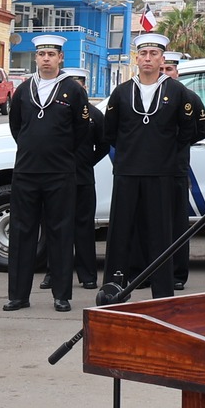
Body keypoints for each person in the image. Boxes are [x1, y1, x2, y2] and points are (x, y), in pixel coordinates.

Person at [103, 34, 203, 299]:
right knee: (120, 232)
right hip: (127, 172)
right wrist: (131, 152)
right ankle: (113, 290)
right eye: (143, 53)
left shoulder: (177, 91)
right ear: (137, 58)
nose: (148, 58)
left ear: (162, 58)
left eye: (153, 54)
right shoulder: (122, 92)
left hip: (162, 174)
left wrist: (164, 152)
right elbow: (110, 132)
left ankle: (163, 293)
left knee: (161, 234)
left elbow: (188, 130)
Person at [5, 36, 91, 312]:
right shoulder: (24, 89)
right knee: (22, 233)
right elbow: (16, 126)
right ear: (35, 57)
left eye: (51, 54)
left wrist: (60, 153)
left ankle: (61, 295)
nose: (46, 59)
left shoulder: (72, 90)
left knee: (60, 232)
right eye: (41, 54)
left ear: (60, 58)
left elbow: (81, 130)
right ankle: (18, 295)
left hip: (59, 173)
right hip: (27, 172)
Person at [68, 80, 111, 290]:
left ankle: (87, 275)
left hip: (83, 178)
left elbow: (104, 145)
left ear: (84, 89)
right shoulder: (59, 111)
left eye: (79, 87)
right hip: (59, 178)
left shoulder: (94, 115)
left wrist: (87, 162)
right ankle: (53, 273)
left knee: (84, 228)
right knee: (56, 227)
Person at [164, 52, 196, 290]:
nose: (165, 73)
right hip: (149, 170)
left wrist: (176, 146)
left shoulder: (188, 97)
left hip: (176, 169)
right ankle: (146, 272)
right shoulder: (145, 95)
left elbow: (200, 128)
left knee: (177, 224)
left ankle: (177, 274)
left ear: (177, 72)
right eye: (162, 69)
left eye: (169, 69)